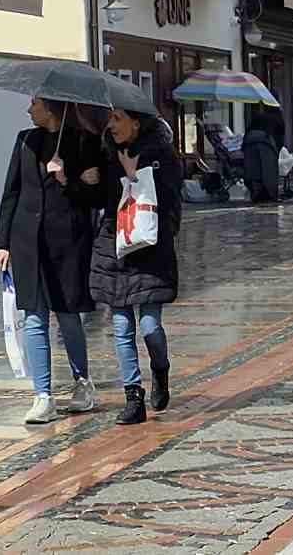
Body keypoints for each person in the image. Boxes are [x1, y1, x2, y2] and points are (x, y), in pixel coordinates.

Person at [0, 98, 104, 424]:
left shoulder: (84, 142)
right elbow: (11, 192)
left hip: (67, 241)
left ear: (52, 109)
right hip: (27, 240)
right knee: (33, 315)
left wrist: (67, 179)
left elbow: (97, 198)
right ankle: (42, 395)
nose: (29, 110)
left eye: (35, 104)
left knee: (68, 312)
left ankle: (82, 382)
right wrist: (3, 243)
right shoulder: (25, 140)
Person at [90, 107, 183, 426]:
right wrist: (86, 181)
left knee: (150, 327)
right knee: (121, 327)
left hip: (150, 249)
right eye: (109, 119)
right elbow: (99, 201)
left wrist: (137, 176)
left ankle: (160, 368)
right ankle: (133, 397)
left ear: (136, 122)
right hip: (115, 249)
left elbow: (171, 202)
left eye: (118, 118)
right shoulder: (106, 153)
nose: (111, 125)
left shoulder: (162, 154)